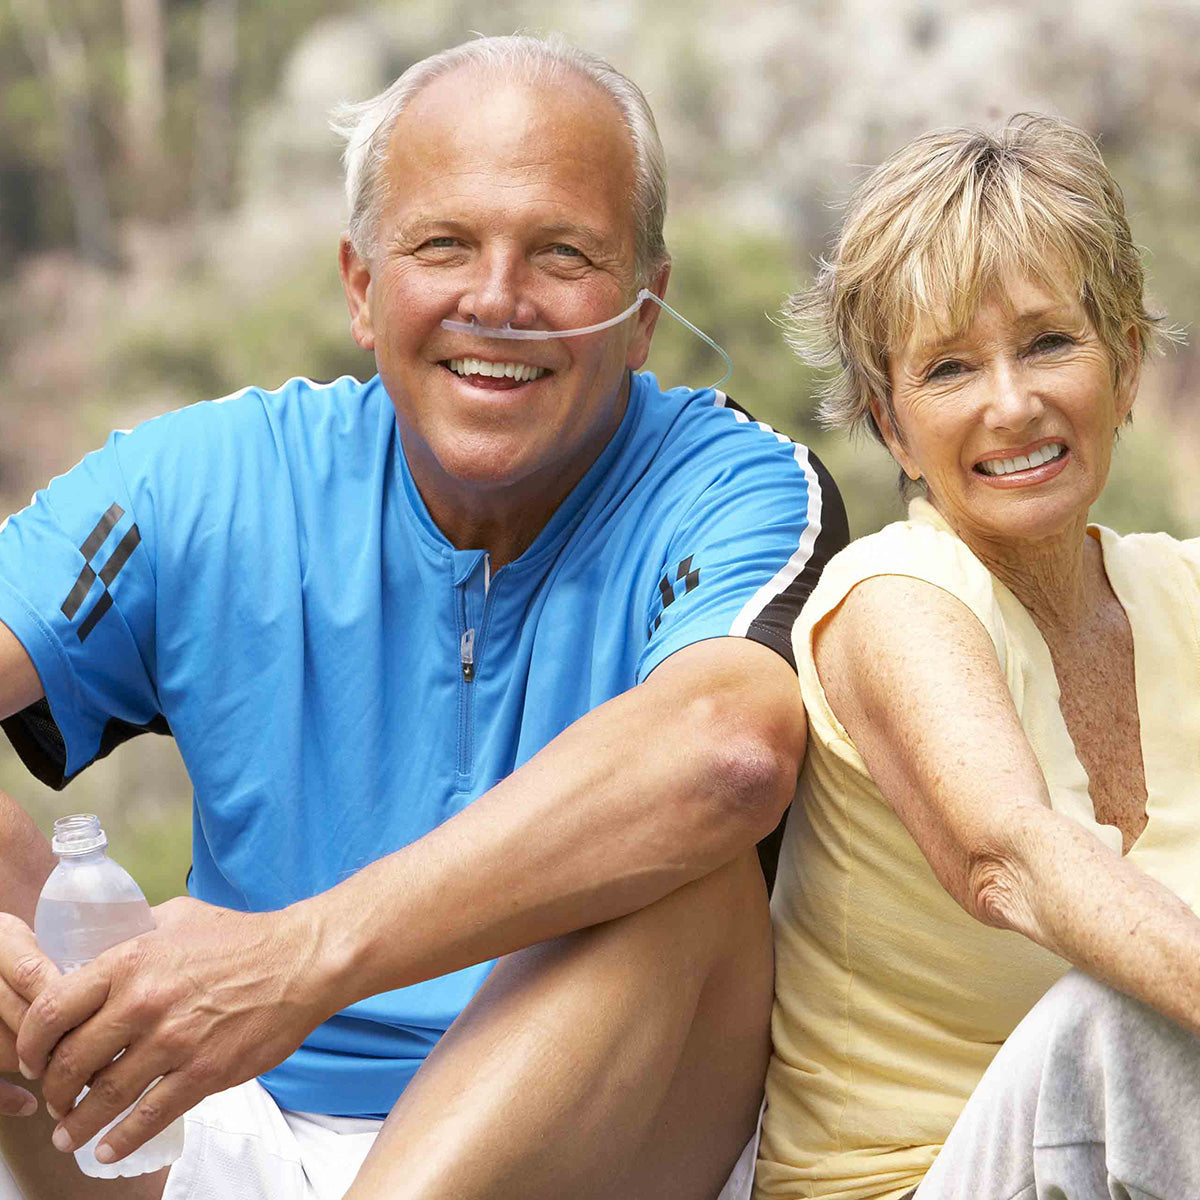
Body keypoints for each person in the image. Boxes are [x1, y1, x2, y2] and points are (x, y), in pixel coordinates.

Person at [0, 34, 848, 1200]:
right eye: (444, 245)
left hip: (596, 1135)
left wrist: (296, 959)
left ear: (645, 309)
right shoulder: (207, 477)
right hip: (222, 1107)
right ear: (361, 285)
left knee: (682, 870)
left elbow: (731, 754)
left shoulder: (732, 484)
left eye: (563, 254)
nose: (496, 301)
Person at [753, 113, 1200, 1200]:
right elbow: (1015, 860)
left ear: (1127, 366)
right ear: (894, 428)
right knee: (1121, 1025)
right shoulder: (894, 601)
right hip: (913, 1183)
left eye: (1050, 343)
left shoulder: (1184, 593)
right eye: (950, 367)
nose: (1012, 403)